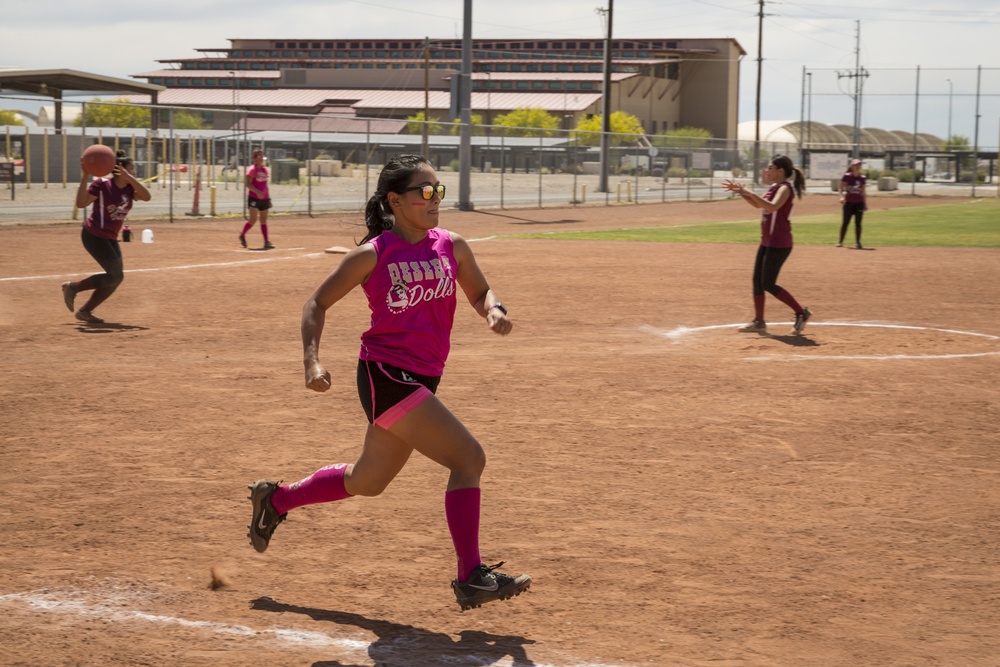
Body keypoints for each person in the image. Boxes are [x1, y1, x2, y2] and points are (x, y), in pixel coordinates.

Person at [246, 154, 531, 611]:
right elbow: (316, 304)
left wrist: (494, 309)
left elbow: (479, 291)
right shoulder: (373, 254)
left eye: (438, 189)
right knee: (469, 458)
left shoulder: (452, 245)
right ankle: (471, 576)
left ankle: (276, 499)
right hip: (386, 374)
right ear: (395, 201)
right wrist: (311, 362)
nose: (435, 199)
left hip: (423, 377)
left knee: (368, 481)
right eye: (424, 191)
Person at [723, 155, 812, 335]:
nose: (767, 171)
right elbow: (758, 205)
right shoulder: (774, 187)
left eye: (770, 168)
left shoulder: (785, 189)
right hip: (767, 242)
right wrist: (743, 193)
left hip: (779, 243)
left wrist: (751, 192)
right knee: (757, 281)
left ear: (780, 171)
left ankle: (801, 312)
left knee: (768, 283)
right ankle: (759, 321)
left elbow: (772, 207)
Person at [61, 150, 151, 324]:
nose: (134, 171)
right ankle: (73, 287)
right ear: (120, 169)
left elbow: (146, 197)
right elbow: (81, 203)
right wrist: (85, 175)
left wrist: (130, 179)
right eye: (131, 168)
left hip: (109, 237)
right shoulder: (102, 185)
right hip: (93, 235)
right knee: (115, 275)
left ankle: (85, 311)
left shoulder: (130, 189)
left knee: (116, 278)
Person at [239, 148, 274, 250]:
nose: (262, 158)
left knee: (263, 220)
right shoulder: (252, 169)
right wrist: (257, 192)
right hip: (254, 198)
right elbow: (247, 184)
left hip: (264, 198)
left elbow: (265, 185)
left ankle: (266, 242)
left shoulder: (264, 169)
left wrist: (269, 198)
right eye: (260, 156)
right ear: (255, 158)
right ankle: (242, 235)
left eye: (262, 156)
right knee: (253, 220)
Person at [838, 158, 867, 249]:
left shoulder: (862, 178)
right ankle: (840, 241)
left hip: (859, 203)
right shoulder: (846, 176)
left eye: (859, 165)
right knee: (845, 223)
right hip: (848, 203)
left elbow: (863, 192)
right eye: (855, 165)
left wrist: (865, 204)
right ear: (852, 166)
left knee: (858, 223)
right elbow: (840, 188)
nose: (857, 167)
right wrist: (841, 196)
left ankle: (858, 242)